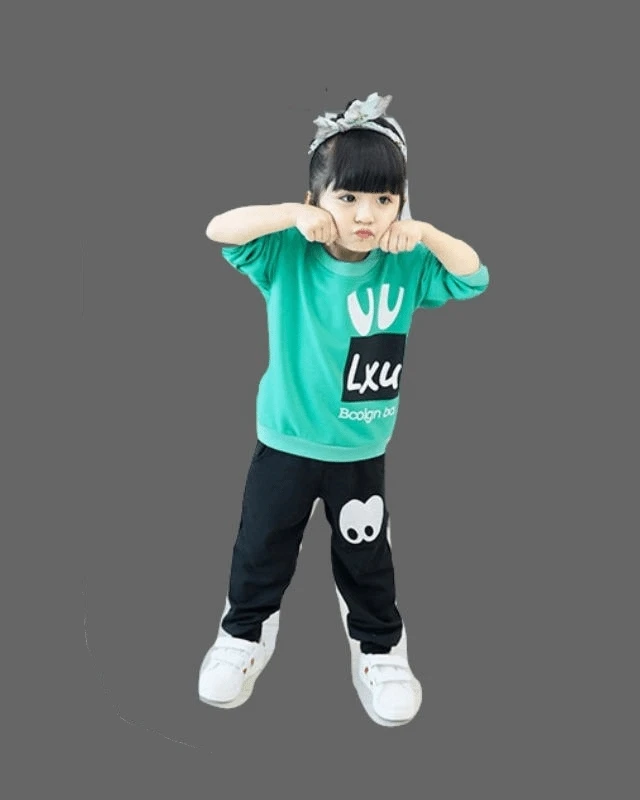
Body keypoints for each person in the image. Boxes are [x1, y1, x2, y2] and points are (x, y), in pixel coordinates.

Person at [198, 92, 490, 726]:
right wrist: (288, 216)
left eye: (384, 199)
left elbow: (473, 276)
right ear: (317, 199)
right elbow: (220, 229)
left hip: (360, 447)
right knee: (262, 544)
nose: (366, 215)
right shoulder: (287, 254)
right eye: (348, 196)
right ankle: (242, 634)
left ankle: (381, 650)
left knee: (366, 556)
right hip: (286, 439)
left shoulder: (408, 262)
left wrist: (426, 232)